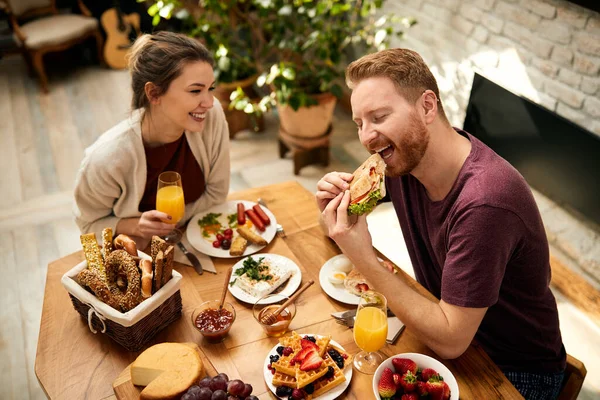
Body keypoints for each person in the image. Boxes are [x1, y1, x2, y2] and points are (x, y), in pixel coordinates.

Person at [316, 48, 566, 399]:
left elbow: (451, 340)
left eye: (379, 116)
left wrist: (364, 258)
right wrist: (331, 207)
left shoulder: (485, 202)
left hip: (511, 369)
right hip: (444, 328)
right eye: (360, 123)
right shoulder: (403, 158)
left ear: (427, 106)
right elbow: (338, 231)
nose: (366, 137)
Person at [74, 31, 230, 248]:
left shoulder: (211, 118)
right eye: (195, 90)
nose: (209, 102)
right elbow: (88, 228)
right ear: (154, 93)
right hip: (139, 256)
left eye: (210, 88)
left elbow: (217, 194)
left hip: (198, 241)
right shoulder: (106, 159)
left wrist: (170, 227)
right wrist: (135, 226)